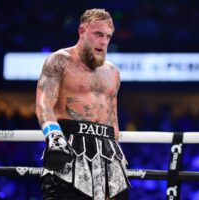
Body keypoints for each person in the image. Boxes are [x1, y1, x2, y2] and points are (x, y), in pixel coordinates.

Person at [35, 8, 130, 200]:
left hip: (108, 151)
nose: (103, 42)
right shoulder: (59, 60)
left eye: (108, 36)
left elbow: (113, 117)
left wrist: (114, 154)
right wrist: (54, 137)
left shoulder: (113, 72)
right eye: (98, 34)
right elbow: (44, 104)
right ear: (82, 31)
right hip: (69, 142)